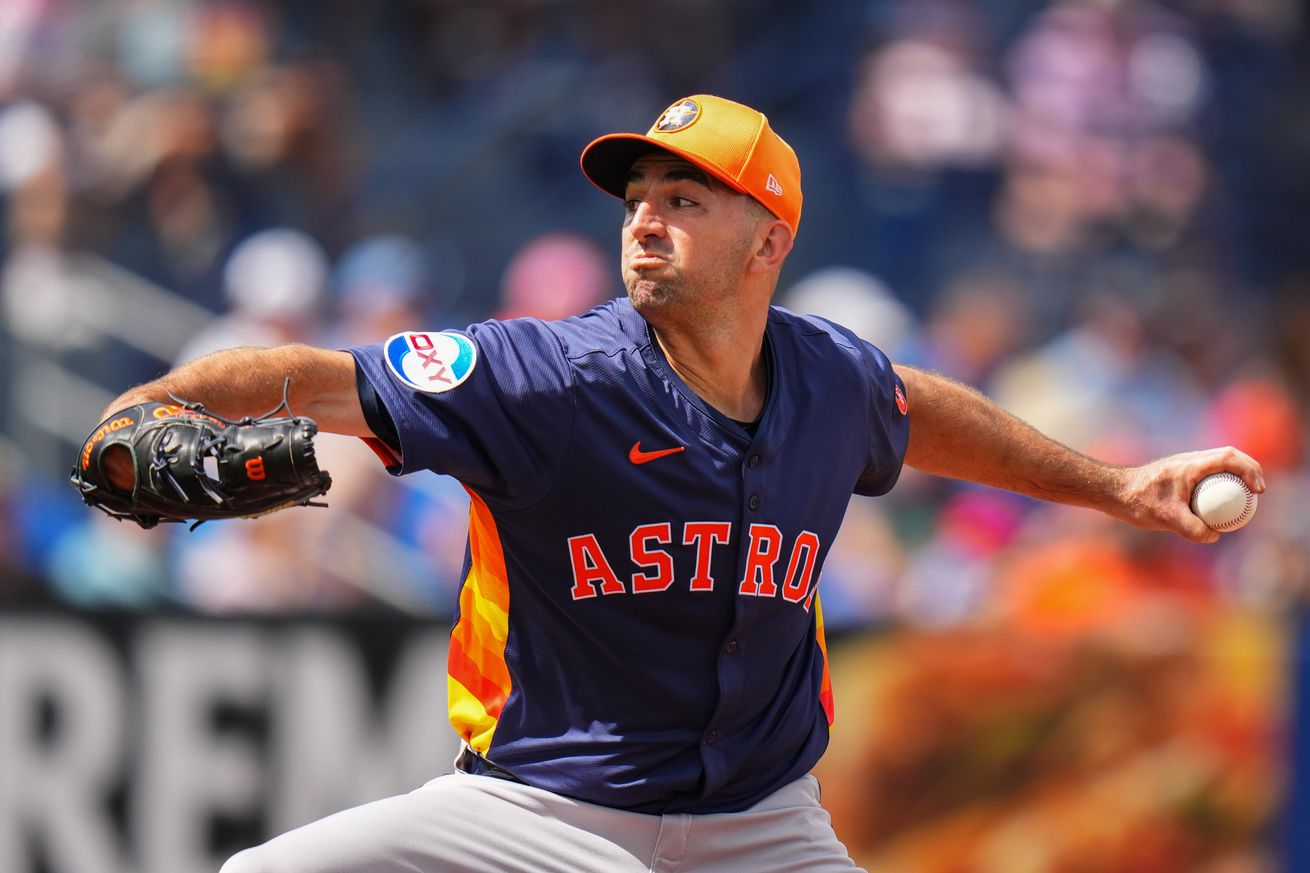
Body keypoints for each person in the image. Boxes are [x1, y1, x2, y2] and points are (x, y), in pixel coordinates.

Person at [95, 95, 1264, 873]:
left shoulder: (827, 380)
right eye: (638, 201)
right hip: (539, 813)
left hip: (763, 824)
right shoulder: (543, 376)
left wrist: (1116, 488)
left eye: (683, 202)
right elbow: (326, 378)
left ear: (767, 243)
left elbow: (920, 412)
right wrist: (158, 410)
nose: (645, 223)